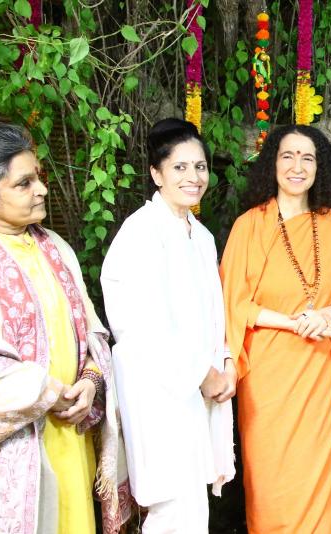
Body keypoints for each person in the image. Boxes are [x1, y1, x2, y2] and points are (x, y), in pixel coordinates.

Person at [0, 122, 128, 534]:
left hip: (70, 432)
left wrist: (92, 381)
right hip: (8, 447)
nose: (41, 189)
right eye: (23, 183)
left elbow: (93, 335)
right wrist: (46, 391)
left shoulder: (56, 248)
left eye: (38, 177)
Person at [220, 124, 331, 533]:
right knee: (271, 482)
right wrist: (293, 323)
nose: (297, 167)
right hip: (268, 375)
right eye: (288, 156)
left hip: (322, 371)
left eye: (308, 158)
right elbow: (233, 302)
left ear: (320, 168)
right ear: (273, 163)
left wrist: (329, 315)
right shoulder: (249, 226)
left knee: (317, 476)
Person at [101, 118, 236, 533]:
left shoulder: (202, 236)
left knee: (192, 505)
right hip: (161, 393)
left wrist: (226, 362)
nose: (193, 177)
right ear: (156, 174)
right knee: (172, 508)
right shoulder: (141, 232)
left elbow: (215, 314)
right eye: (180, 167)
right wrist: (201, 374)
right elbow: (138, 325)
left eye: (200, 167)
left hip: (201, 389)